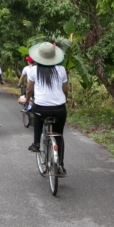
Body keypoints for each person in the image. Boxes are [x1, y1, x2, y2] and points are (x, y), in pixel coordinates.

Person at [19, 42, 68, 175]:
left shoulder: (34, 70)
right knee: (59, 135)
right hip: (59, 109)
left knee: (37, 116)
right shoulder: (62, 70)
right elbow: (65, 90)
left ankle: (36, 143)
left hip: (41, 107)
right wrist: (65, 101)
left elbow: (29, 89)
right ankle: (60, 166)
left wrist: (27, 100)